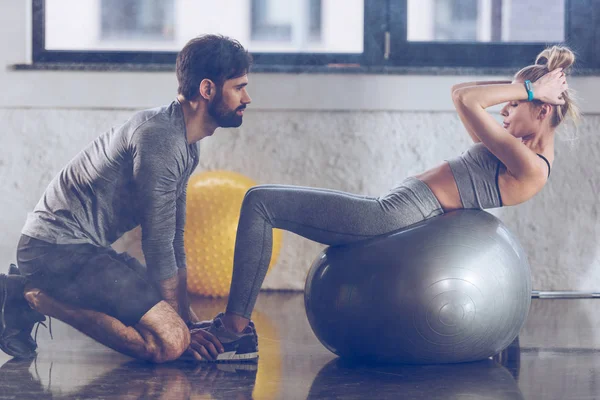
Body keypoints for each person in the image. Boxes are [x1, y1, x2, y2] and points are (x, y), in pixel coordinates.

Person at [196, 46, 580, 361]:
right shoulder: (516, 149)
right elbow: (460, 93)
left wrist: (530, 90)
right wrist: (527, 89)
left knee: (260, 202)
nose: (506, 110)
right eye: (508, 102)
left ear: (543, 109)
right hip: (394, 206)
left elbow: (467, 99)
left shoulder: (530, 166)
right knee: (261, 200)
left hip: (393, 216)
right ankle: (235, 328)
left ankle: (234, 331)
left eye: (516, 105)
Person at [0, 34, 256, 363]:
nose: (246, 97)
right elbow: (157, 242)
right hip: (53, 251)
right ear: (207, 90)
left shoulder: (186, 144)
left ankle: (25, 292)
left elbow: (175, 236)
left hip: (85, 252)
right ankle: (29, 295)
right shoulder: (161, 139)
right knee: (171, 344)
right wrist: (180, 329)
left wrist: (188, 319)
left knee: (177, 331)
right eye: (239, 87)